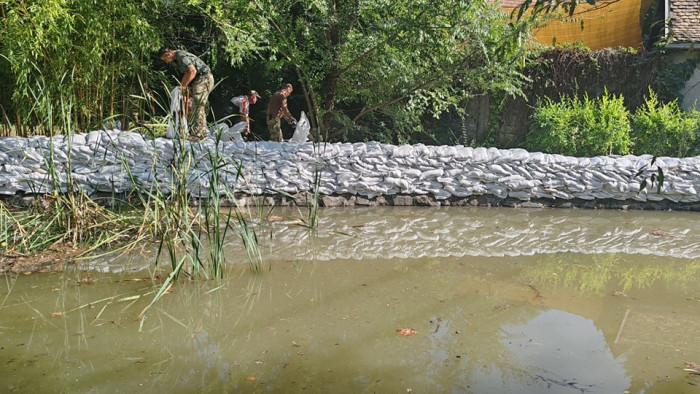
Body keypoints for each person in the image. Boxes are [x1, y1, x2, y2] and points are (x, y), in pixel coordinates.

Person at [158, 46, 214, 141]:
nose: (166, 62)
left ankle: (198, 135)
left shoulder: (181, 56)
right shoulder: (180, 56)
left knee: (197, 104)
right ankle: (194, 131)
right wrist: (181, 87)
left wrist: (183, 86)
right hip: (200, 79)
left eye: (165, 59)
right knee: (192, 105)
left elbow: (192, 71)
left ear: (168, 54)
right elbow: (186, 74)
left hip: (203, 78)